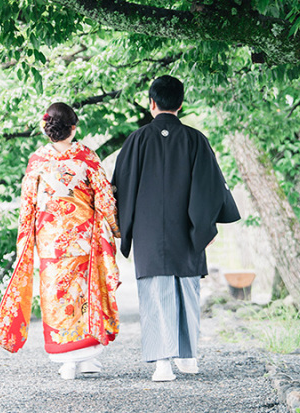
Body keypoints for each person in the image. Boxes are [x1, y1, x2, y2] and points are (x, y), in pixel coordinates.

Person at [112, 75, 240, 382]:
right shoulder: (196, 139)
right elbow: (210, 188)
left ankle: (163, 364)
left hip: (148, 231)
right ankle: (188, 357)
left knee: (156, 294)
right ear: (181, 104)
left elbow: (120, 187)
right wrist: (205, 225)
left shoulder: (136, 140)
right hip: (188, 228)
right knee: (187, 291)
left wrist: (122, 226)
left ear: (152, 103)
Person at [0, 102, 120, 380]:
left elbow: (28, 206)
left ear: (46, 129)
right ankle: (86, 357)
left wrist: (25, 240)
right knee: (85, 293)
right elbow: (105, 198)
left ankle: (68, 360)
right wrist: (116, 229)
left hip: (50, 242)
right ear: (74, 128)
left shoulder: (37, 160)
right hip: (82, 238)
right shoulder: (86, 156)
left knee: (56, 295)